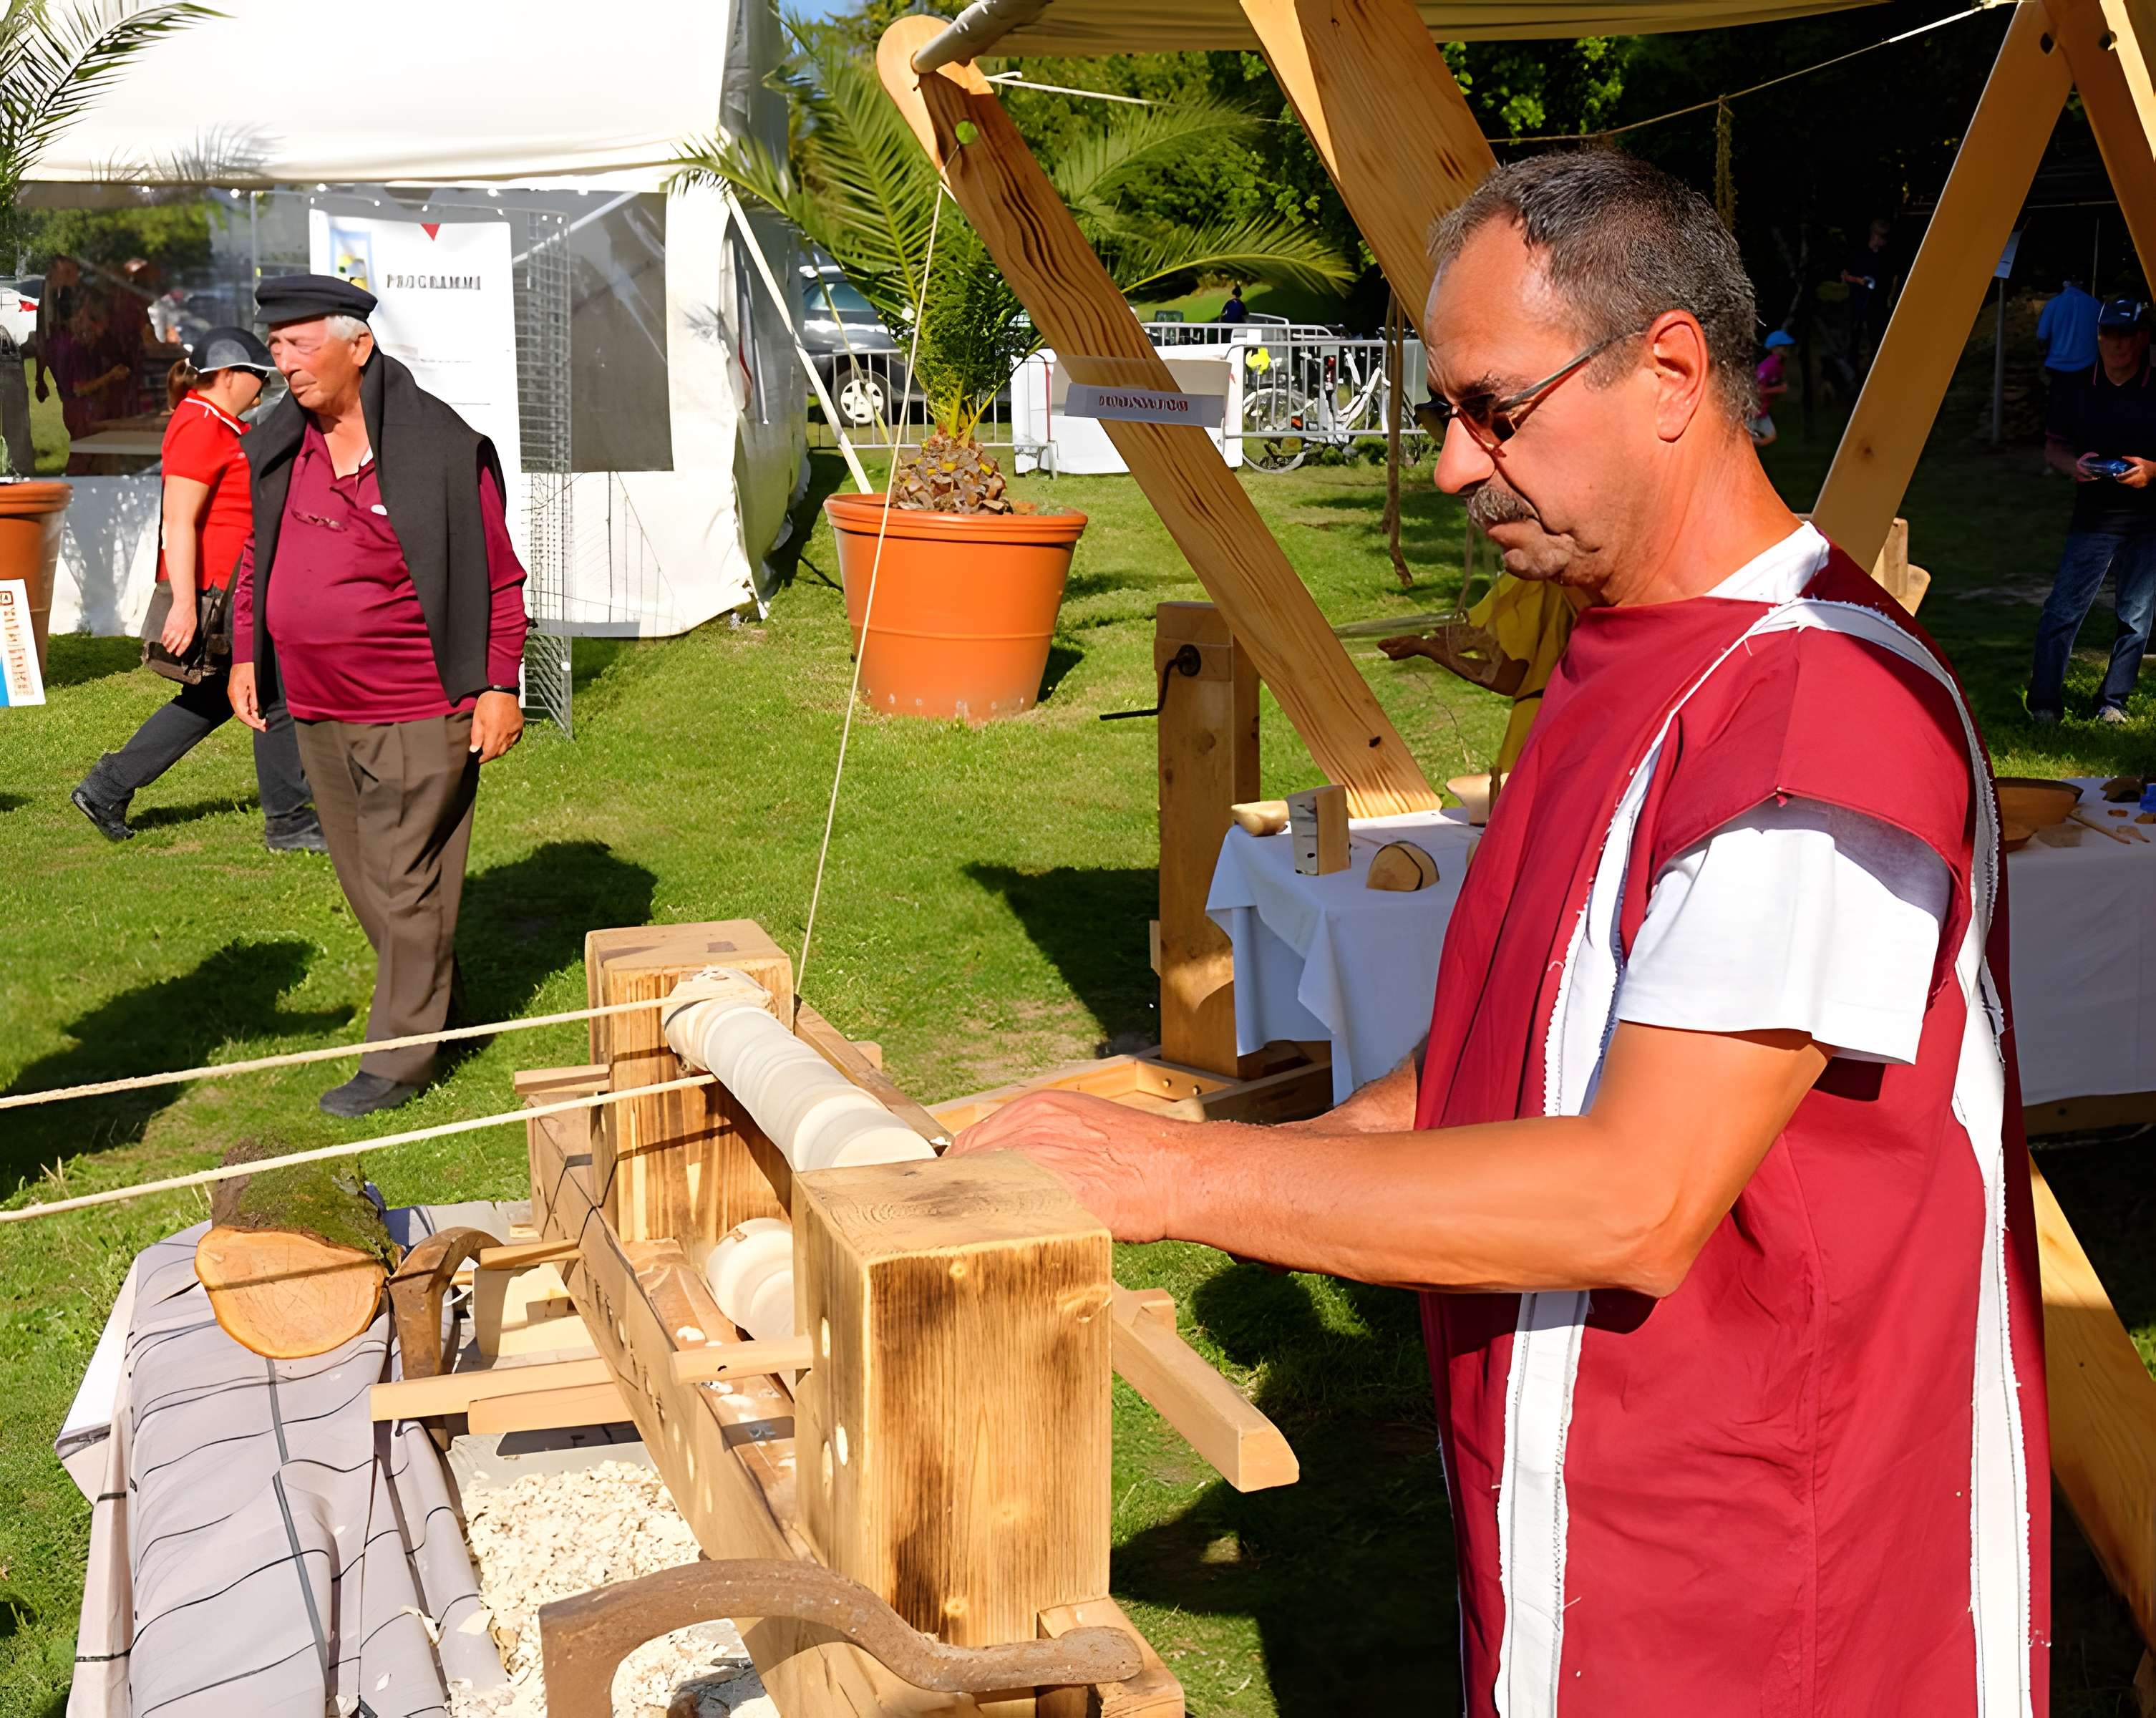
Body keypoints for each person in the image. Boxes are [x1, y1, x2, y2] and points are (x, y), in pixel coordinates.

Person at [955, 152, 2046, 1714]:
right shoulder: (1623, 652)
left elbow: (1636, 1196)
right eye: (1448, 416)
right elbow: (1486, 1064)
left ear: (1670, 370)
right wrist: (1279, 1157)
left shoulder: (1812, 716)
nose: (1460, 468)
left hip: (1758, 1575)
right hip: (1588, 1505)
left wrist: (1161, 1173)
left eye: (1496, 410)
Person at [229, 274, 529, 1118]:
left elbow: (500, 581)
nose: (281, 362)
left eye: (299, 344)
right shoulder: (284, 443)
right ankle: (445, 1012)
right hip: (318, 707)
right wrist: (249, 651)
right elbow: (259, 557)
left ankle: (398, 1060)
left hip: (416, 701)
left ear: (357, 346)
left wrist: (499, 683)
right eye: (275, 345)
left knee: (403, 878)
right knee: (370, 881)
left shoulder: (439, 448)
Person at [70, 329, 324, 851]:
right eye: (258, 378)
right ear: (230, 376)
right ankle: (290, 821)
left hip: (234, 587)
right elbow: (179, 521)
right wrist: (185, 604)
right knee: (270, 691)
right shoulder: (201, 425)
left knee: (223, 695)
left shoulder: (219, 423)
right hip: (220, 593)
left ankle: (108, 785)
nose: (262, 390)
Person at [2029, 295, 2156, 724]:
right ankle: (2045, 704)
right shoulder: (2075, 387)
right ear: (2099, 338)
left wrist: (2152, 471)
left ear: (2143, 338)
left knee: (2136, 618)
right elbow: (2054, 448)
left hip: (2148, 520)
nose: (2118, 344)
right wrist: (2076, 466)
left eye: (2128, 334)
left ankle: (2113, 702)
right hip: (2094, 518)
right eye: (2110, 334)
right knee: (2063, 609)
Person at [2036, 274, 2101, 415]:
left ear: (2064, 283)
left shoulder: (2053, 304)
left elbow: (2042, 337)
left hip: (2057, 366)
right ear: (2081, 283)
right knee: (2082, 408)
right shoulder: (2095, 305)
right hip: (2087, 366)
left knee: (2058, 409)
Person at [1747, 325, 1794, 446]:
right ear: (1775, 349)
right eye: (1785, 347)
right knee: (1749, 438)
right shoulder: (1768, 366)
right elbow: (1758, 391)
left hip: (1762, 411)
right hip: (1754, 410)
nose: (1788, 350)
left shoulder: (1779, 366)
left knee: (1770, 436)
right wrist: (1779, 389)